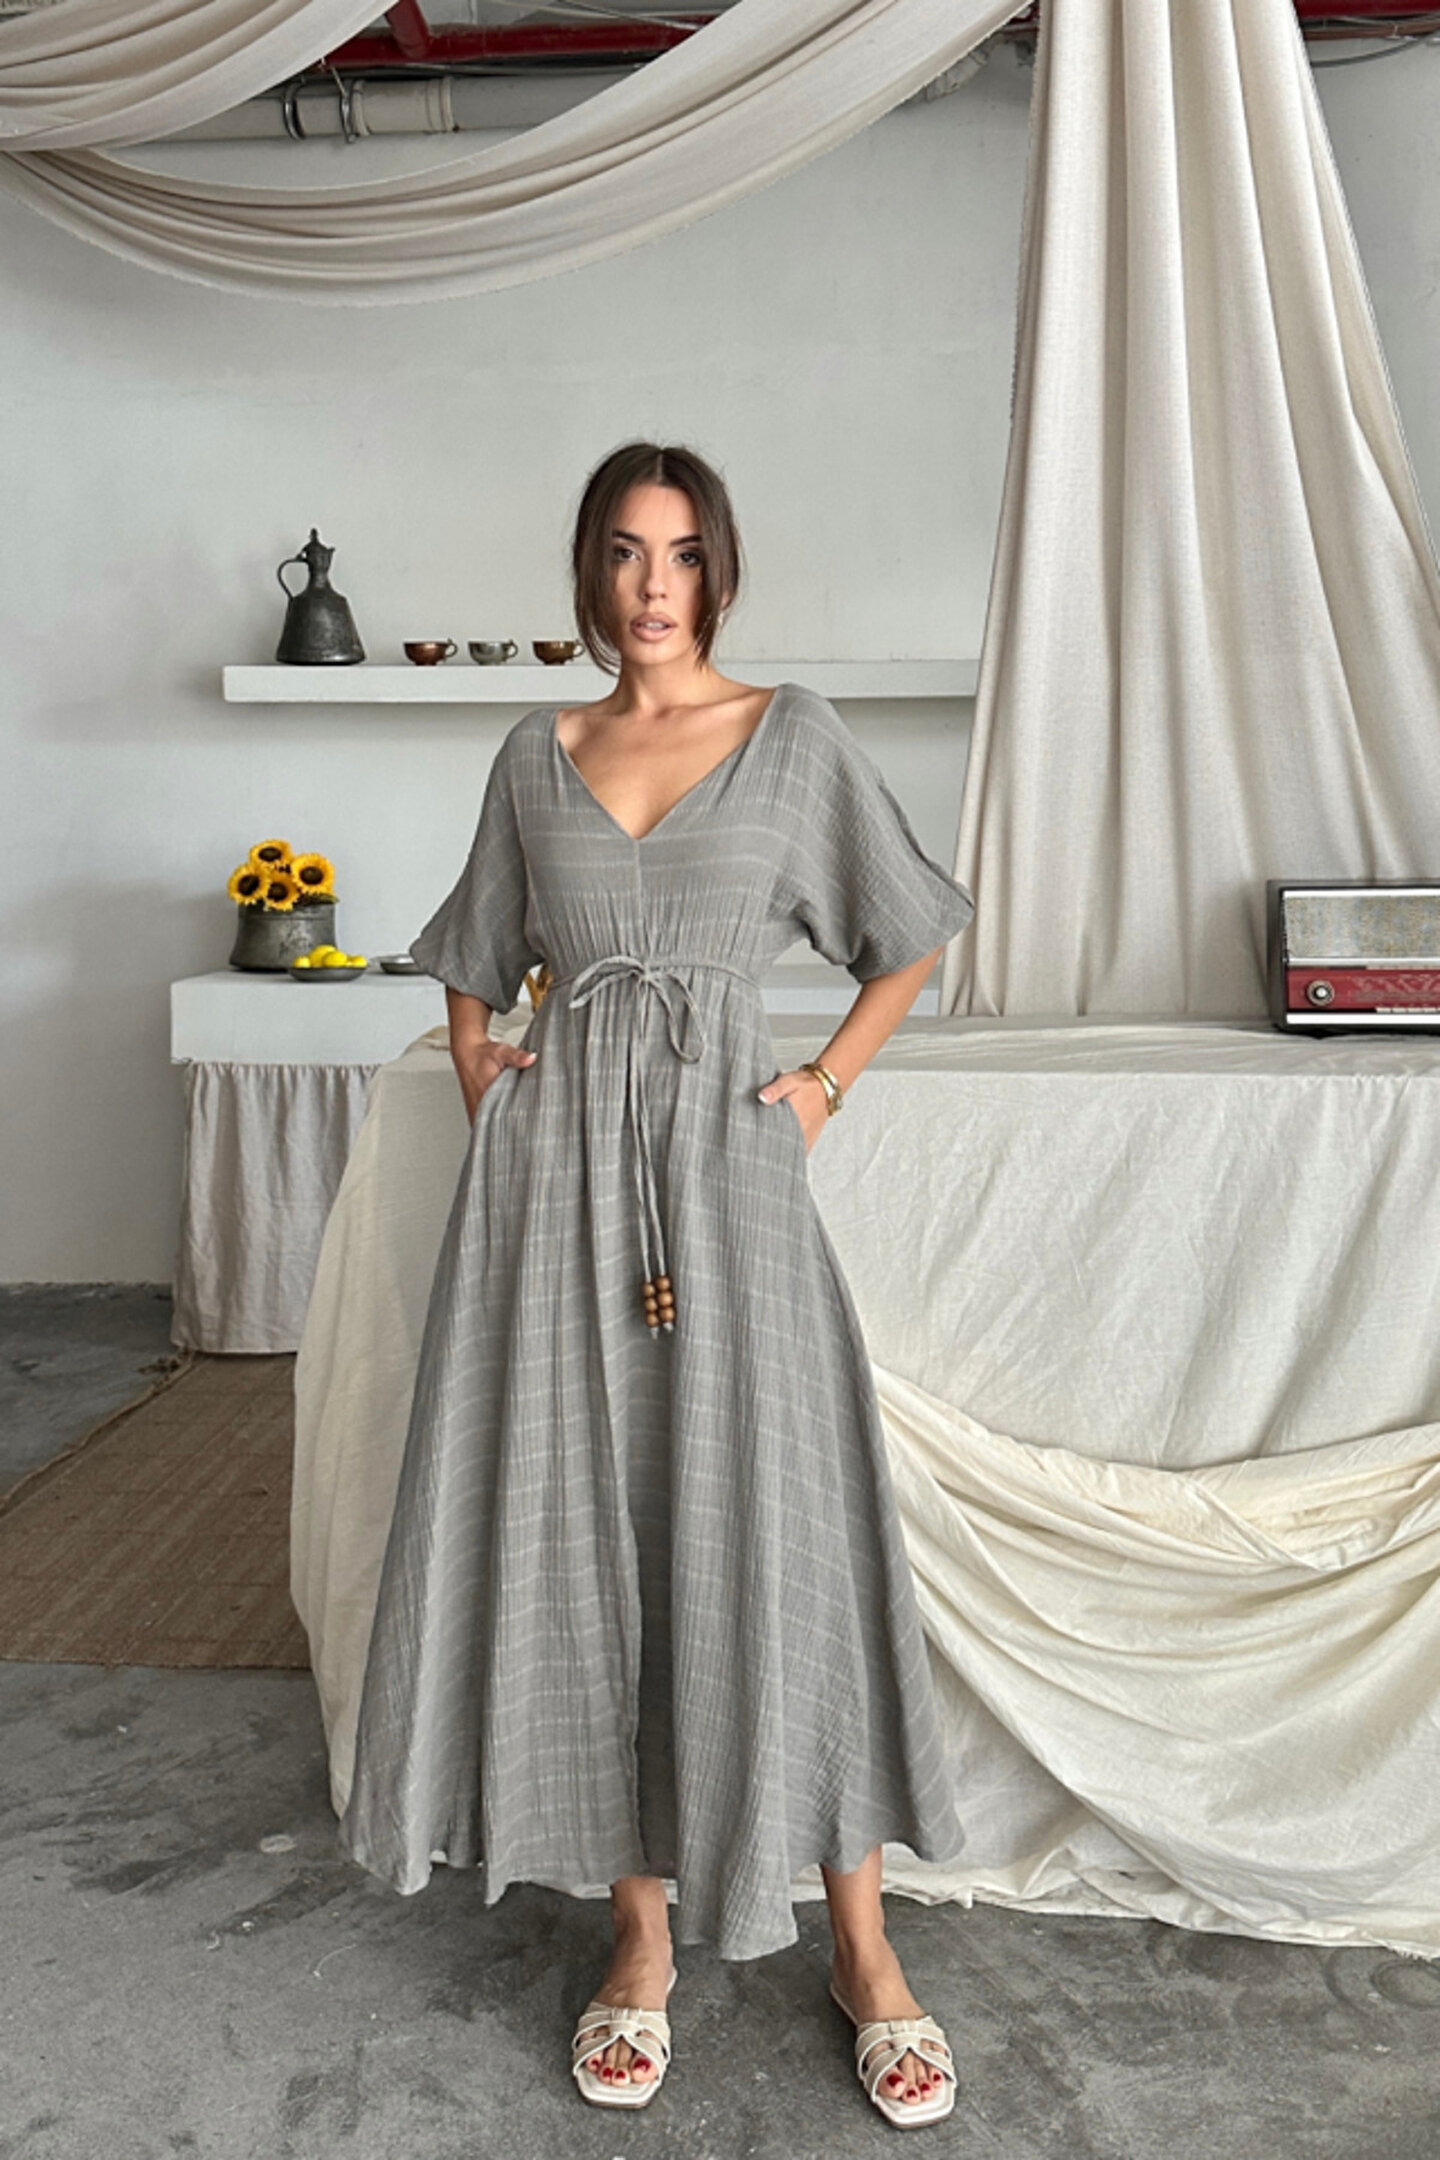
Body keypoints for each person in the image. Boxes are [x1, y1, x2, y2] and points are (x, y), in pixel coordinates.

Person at [339, 440, 976, 2127]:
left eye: (681, 554)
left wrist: (821, 1085)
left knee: (780, 1528)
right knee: (595, 1532)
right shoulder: (536, 754)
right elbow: (477, 949)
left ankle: (862, 1945)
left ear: (720, 570)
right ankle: (639, 1938)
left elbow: (906, 932)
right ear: (590, 570)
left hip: (725, 1173)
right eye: (624, 553)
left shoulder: (792, 737)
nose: (652, 587)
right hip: (555, 1196)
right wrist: (483, 1067)